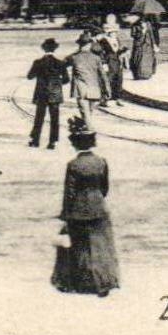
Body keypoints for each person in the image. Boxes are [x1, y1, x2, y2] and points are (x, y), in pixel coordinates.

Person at [52, 117, 120, 297]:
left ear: (75, 144)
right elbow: (104, 188)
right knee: (100, 247)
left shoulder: (73, 165)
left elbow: (70, 192)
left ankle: (81, 282)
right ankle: (104, 282)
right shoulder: (101, 162)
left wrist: (66, 214)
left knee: (80, 247)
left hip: (78, 210)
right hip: (99, 208)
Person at [27, 38, 68, 148]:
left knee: (39, 117)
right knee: (55, 118)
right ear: (55, 49)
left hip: (41, 93)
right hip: (55, 93)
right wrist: (57, 83)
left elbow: (29, 76)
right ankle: (52, 142)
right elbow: (66, 79)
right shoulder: (60, 63)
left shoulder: (38, 62)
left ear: (44, 49)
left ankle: (35, 140)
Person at [67, 34, 105, 121]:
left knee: (85, 113)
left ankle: (88, 129)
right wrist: (107, 90)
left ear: (79, 44)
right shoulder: (96, 58)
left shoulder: (74, 57)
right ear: (90, 45)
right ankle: (86, 127)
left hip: (81, 90)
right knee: (89, 113)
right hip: (94, 89)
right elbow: (103, 75)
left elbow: (61, 65)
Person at [128, 16, 158, 82]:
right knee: (138, 59)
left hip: (148, 45)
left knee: (148, 59)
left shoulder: (148, 24)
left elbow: (151, 34)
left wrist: (154, 44)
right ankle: (139, 75)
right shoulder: (135, 25)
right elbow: (133, 35)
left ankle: (147, 74)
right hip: (139, 45)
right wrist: (142, 32)